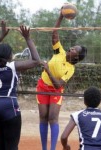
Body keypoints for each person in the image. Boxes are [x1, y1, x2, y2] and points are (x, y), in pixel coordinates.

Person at [36, 10, 87, 150]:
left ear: (76, 57)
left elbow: (58, 85)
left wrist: (47, 69)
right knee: (43, 116)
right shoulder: (60, 52)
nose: (71, 48)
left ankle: (52, 148)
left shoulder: (71, 68)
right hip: (42, 86)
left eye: (74, 49)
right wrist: (60, 16)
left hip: (55, 90)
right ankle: (44, 148)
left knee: (52, 117)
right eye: (72, 47)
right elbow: (54, 34)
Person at [0, 21, 41, 150]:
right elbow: (36, 60)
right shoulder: (12, 66)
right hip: (9, 105)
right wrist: (27, 38)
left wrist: (1, 36)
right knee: (11, 147)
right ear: (10, 56)